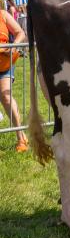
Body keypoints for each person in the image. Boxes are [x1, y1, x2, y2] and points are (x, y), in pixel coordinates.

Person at [0, 8, 27, 152]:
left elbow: (20, 33)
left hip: (4, 63)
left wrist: (14, 46)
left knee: (6, 97)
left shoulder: (3, 14)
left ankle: (21, 138)